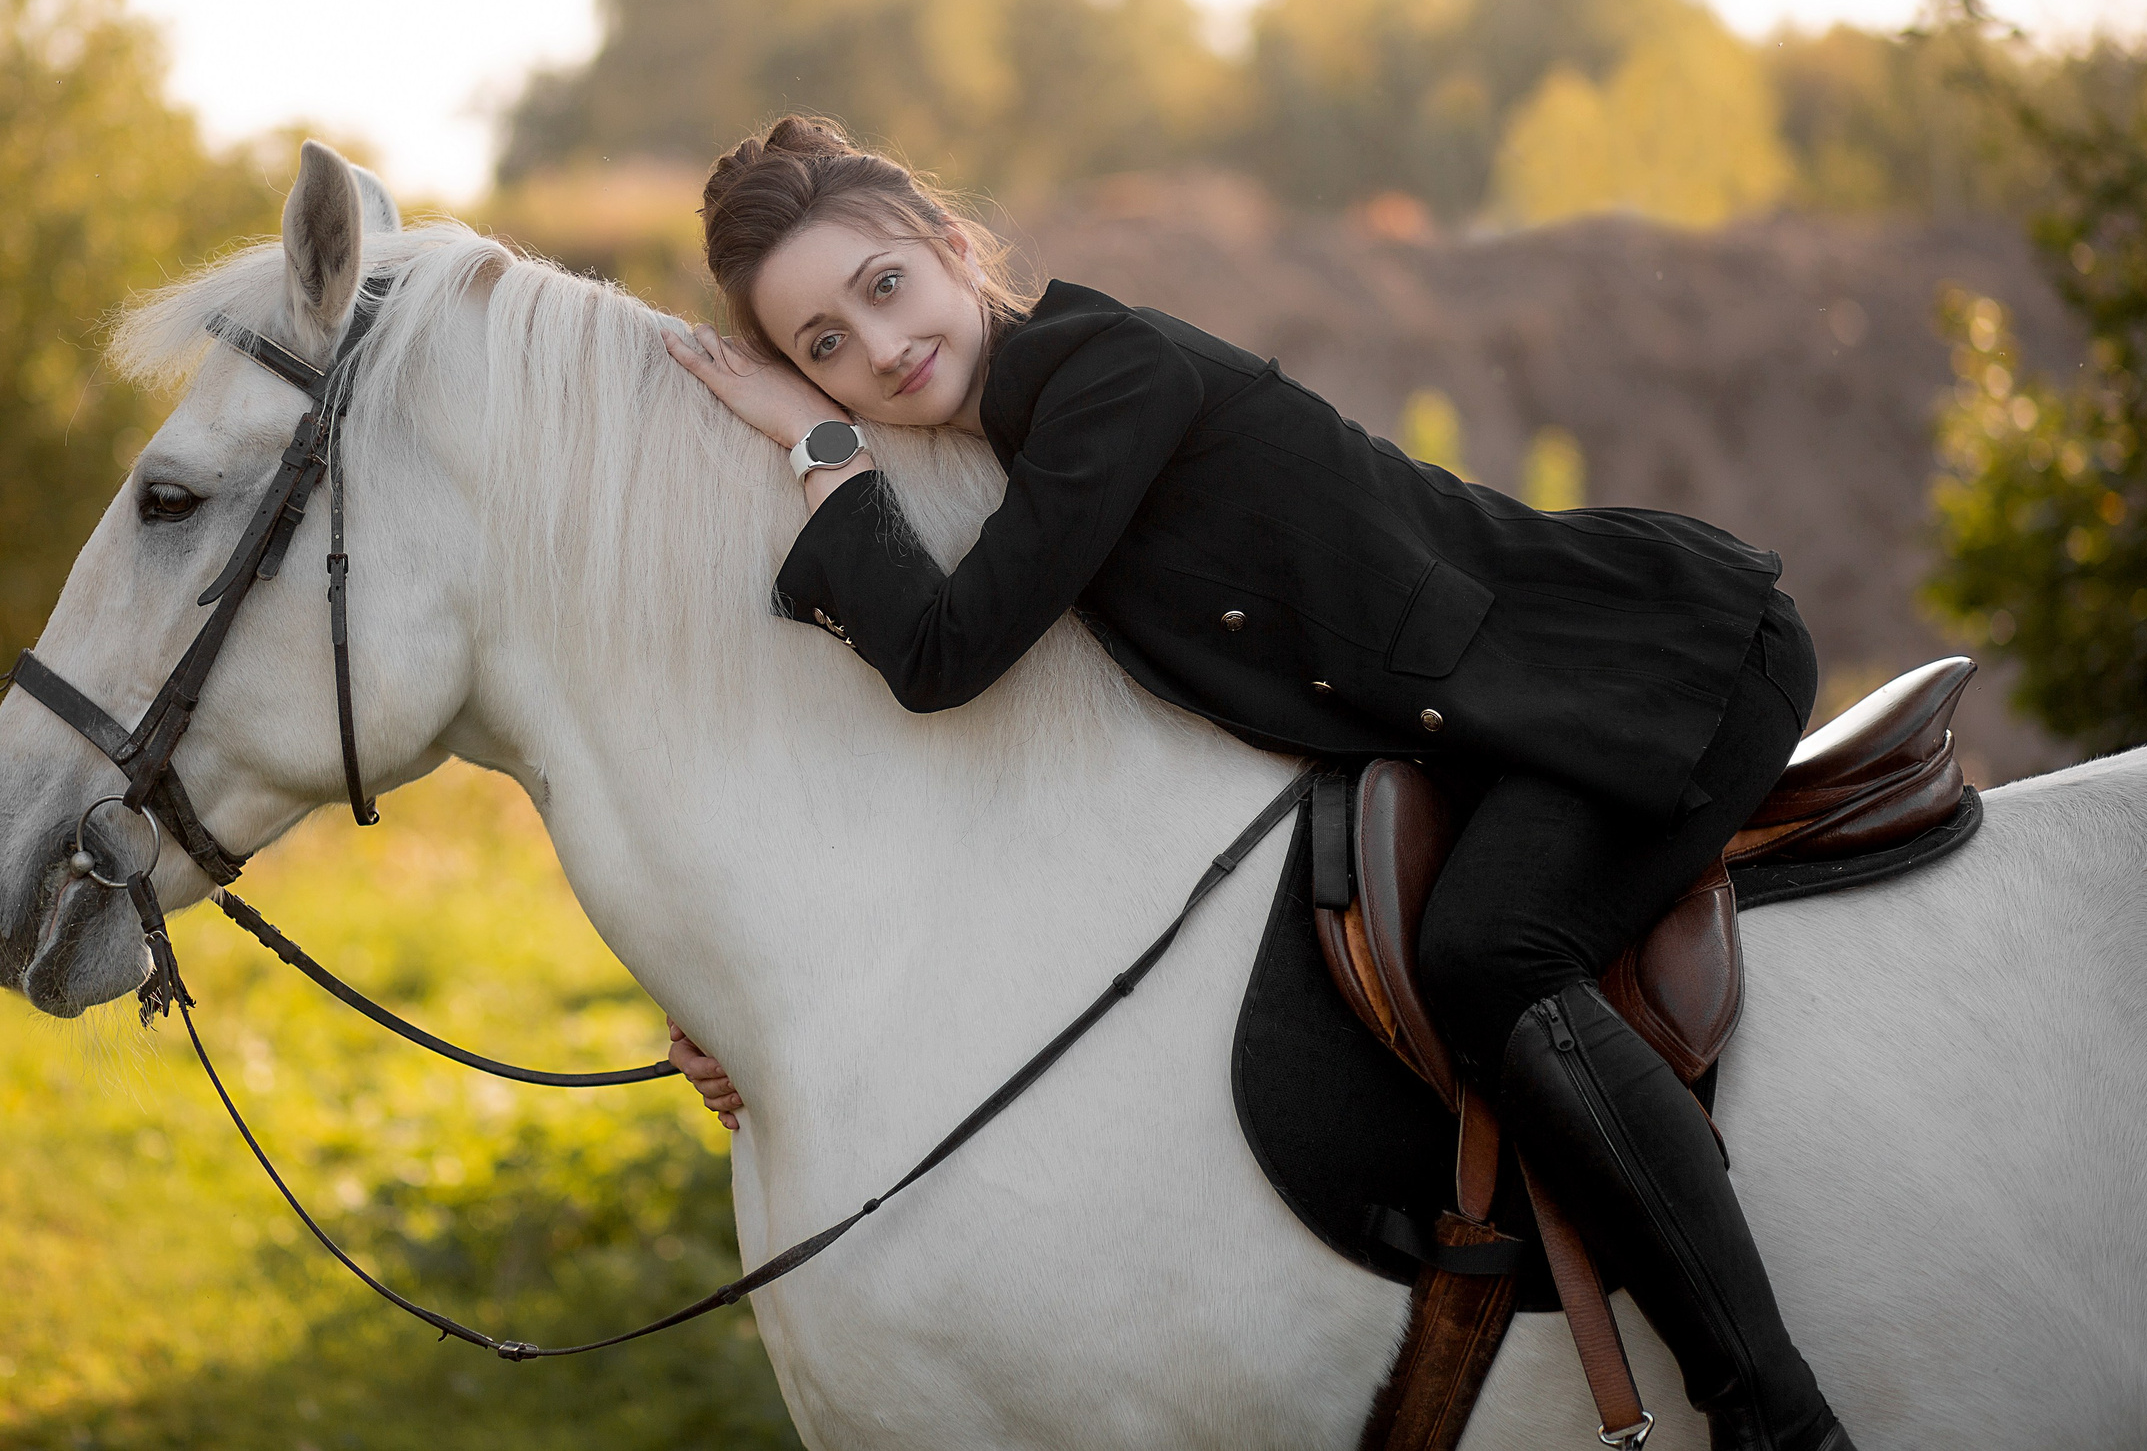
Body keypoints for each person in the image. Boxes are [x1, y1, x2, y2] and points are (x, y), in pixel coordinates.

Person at [656, 115, 1850, 1451]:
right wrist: (753, 996)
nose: (877, 349)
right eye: (824, 345)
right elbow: (977, 760)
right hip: (1500, 725)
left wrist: (819, 441)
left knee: (1488, 951)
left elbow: (941, 656)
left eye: (884, 288)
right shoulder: (1013, 446)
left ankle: (1778, 1416)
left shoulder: (1107, 377)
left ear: (949, 247)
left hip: (1640, 665)